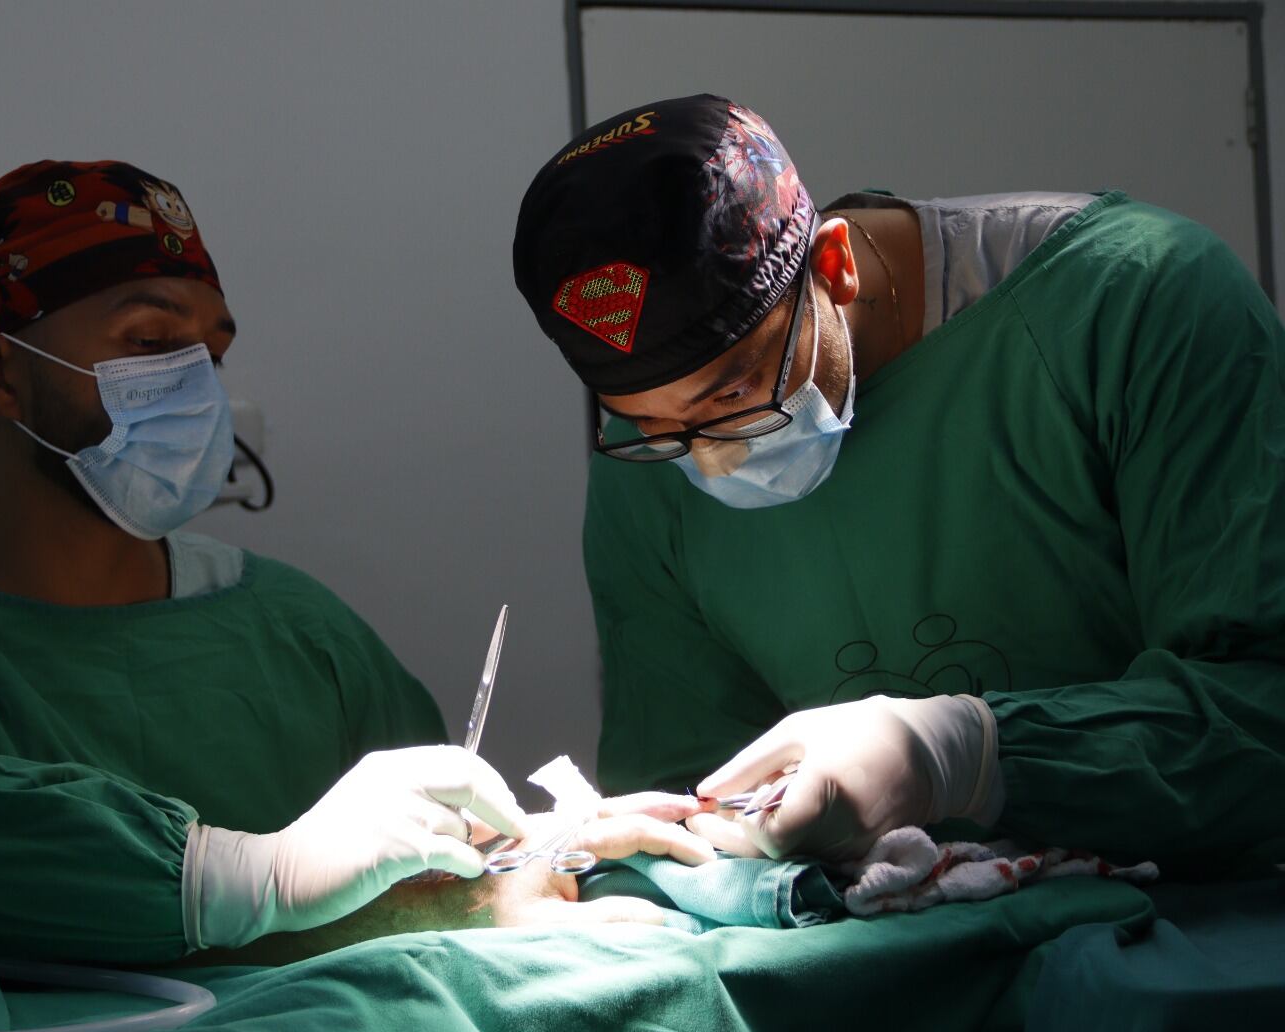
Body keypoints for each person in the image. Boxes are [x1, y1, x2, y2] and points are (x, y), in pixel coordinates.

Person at [0, 160, 706, 969]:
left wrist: (536, 853)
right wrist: (236, 874)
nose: (196, 387)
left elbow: (443, 884)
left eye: (208, 354)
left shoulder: (301, 634)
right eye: (149, 341)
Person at [511, 94, 1285, 871]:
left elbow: (1262, 712)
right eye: (654, 427)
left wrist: (967, 755)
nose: (712, 459)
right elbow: (684, 797)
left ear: (834, 267)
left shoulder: (1136, 303)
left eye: (735, 396)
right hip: (895, 962)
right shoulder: (650, 460)